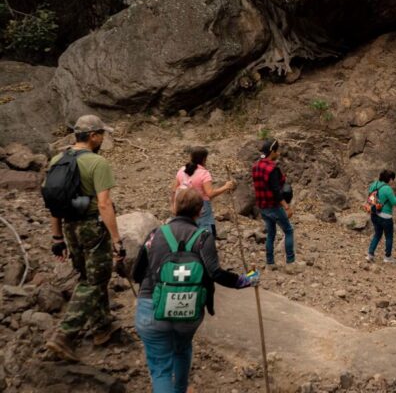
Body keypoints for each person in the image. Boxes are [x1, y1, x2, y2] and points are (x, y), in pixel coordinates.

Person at [133, 187, 259, 393]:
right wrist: (245, 280)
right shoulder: (203, 237)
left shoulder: (155, 234)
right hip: (188, 312)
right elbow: (216, 273)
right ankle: (180, 389)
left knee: (161, 370)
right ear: (200, 211)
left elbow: (137, 273)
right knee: (182, 349)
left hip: (152, 308)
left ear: (174, 207)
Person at [45, 115, 125, 362]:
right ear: (93, 136)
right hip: (92, 228)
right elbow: (104, 204)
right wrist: (116, 239)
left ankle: (102, 327)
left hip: (69, 228)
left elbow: (54, 204)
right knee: (94, 280)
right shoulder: (96, 163)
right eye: (101, 134)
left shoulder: (58, 159)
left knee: (88, 277)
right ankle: (65, 335)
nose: (103, 138)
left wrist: (57, 237)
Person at [170, 147, 234, 238]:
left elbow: (173, 189)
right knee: (205, 232)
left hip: (182, 204)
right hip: (200, 205)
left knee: (185, 231)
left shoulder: (182, 170)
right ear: (204, 159)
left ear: (191, 157)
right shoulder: (204, 173)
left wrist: (173, 206)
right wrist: (225, 187)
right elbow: (210, 193)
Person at [251, 139, 296, 269]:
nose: (279, 152)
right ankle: (291, 263)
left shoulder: (256, 166)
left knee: (271, 233)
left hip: (262, 206)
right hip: (274, 206)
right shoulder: (272, 168)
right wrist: (286, 206)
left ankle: (270, 263)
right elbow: (276, 191)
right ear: (272, 151)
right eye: (277, 150)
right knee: (288, 230)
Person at [365, 170, 396, 263]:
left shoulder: (374, 184)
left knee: (377, 234)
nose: (393, 181)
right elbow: (395, 202)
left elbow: (370, 197)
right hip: (385, 216)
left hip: (374, 213)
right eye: (392, 179)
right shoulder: (387, 189)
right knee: (389, 237)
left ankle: (370, 254)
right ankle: (387, 257)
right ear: (389, 179)